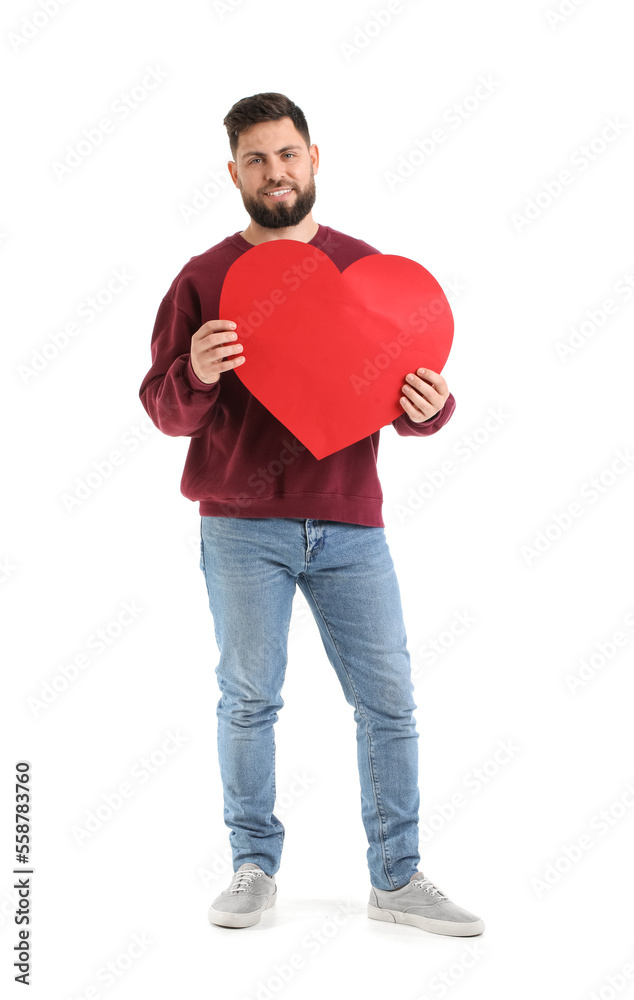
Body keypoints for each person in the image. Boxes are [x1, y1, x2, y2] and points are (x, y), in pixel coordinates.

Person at [139, 92, 484, 937]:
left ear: (314, 158)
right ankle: (252, 867)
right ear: (233, 173)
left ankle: (396, 879)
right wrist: (197, 370)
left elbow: (402, 404)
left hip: (350, 524)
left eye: (287, 154)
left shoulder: (366, 270)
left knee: (391, 700)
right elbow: (163, 409)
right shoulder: (203, 278)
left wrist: (430, 405)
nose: (275, 173)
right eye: (255, 159)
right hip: (239, 525)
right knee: (250, 699)